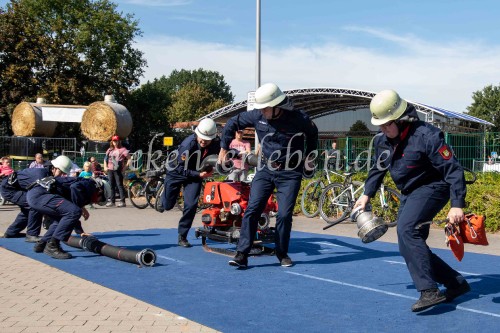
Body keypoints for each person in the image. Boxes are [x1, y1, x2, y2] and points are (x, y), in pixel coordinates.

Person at [354, 89, 470, 313]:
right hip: (409, 191)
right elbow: (377, 169)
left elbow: (453, 170)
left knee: (407, 230)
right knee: (406, 244)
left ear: (401, 119)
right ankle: (455, 282)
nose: (383, 129)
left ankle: (429, 291)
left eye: (387, 124)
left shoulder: (427, 135)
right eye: (380, 125)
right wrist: (366, 194)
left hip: (434, 186)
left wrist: (457, 205)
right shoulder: (382, 141)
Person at [219, 83, 318, 268]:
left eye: (265, 108)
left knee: (284, 214)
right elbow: (233, 122)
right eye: (261, 108)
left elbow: (313, 133)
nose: (262, 111)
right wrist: (224, 147)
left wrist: (309, 157)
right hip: (265, 169)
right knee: (253, 208)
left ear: (276, 105)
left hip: (290, 172)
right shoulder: (258, 115)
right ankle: (242, 254)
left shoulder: (298, 118)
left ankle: (282, 254)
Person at [27, 157, 109, 259]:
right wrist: (79, 207)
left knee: (61, 219)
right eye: (100, 200)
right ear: (100, 190)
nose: (96, 202)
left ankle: (42, 244)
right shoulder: (90, 184)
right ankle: (52, 246)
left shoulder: (84, 186)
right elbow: (75, 190)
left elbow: (70, 213)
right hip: (40, 195)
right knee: (74, 211)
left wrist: (80, 231)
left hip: (35, 195)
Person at [159, 118, 220, 247]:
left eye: (207, 139)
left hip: (195, 175)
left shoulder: (216, 143)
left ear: (213, 138)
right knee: (167, 206)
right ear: (197, 134)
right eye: (201, 137)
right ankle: (163, 197)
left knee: (191, 205)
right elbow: (181, 168)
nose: (203, 141)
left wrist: (237, 155)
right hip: (177, 172)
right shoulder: (188, 145)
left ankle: (182, 236)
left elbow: (225, 152)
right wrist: (199, 174)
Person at [0, 166, 50, 242]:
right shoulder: (40, 176)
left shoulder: (45, 173)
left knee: (27, 210)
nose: (63, 175)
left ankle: (11, 232)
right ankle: (31, 235)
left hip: (14, 187)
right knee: (35, 205)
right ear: (54, 168)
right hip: (9, 189)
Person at [103, 135, 129, 207]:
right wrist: (105, 166)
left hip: (118, 169)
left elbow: (129, 158)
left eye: (117, 141)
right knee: (111, 185)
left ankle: (122, 202)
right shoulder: (110, 150)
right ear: (112, 141)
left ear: (119, 141)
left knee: (119, 185)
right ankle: (112, 202)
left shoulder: (123, 149)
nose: (115, 142)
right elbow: (105, 159)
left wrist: (125, 167)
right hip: (110, 169)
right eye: (114, 141)